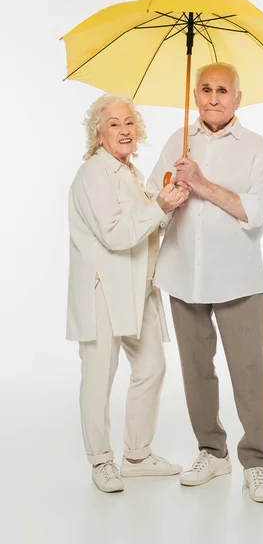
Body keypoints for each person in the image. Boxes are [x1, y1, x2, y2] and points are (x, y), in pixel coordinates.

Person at [147, 62, 263, 503]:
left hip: (238, 278)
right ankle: (211, 451)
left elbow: (257, 211)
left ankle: (256, 463)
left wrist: (202, 184)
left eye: (223, 90)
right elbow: (152, 198)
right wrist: (170, 192)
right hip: (184, 275)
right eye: (205, 89)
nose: (213, 98)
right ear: (195, 95)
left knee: (249, 371)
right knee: (196, 370)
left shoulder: (257, 148)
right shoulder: (177, 142)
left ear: (238, 98)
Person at [67, 94, 188, 493]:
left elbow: (146, 230)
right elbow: (116, 234)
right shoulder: (92, 175)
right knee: (99, 377)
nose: (124, 130)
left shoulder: (132, 174)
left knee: (152, 367)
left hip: (140, 287)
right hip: (104, 287)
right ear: (98, 134)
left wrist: (167, 204)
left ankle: (136, 455)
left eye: (129, 123)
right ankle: (101, 461)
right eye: (114, 124)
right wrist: (158, 208)